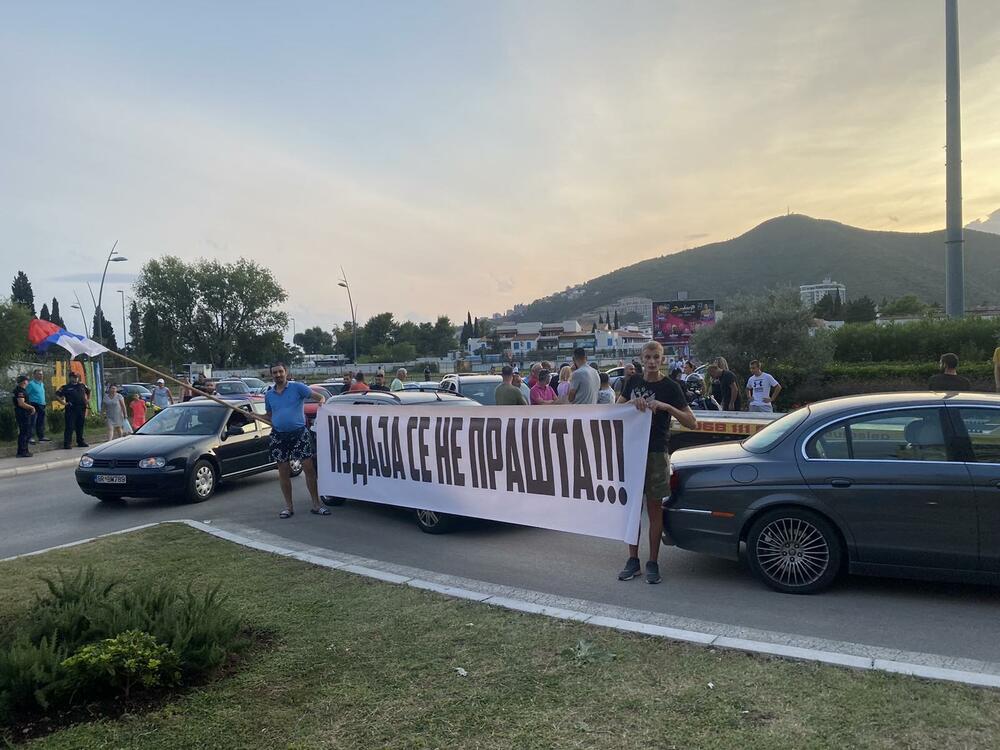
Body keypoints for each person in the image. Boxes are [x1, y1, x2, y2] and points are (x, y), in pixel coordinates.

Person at [618, 341, 697, 584]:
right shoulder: (631, 382)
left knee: (654, 510)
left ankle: (653, 561)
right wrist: (631, 404)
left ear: (662, 359)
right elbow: (612, 410)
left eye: (656, 357)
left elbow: (691, 422)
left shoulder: (671, 387)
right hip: (631, 452)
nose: (652, 361)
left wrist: (666, 407)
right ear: (641, 359)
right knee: (631, 511)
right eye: (647, 357)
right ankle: (633, 561)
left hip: (655, 453)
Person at [265, 362, 329, 519]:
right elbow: (269, 416)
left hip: (299, 433)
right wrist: (253, 416)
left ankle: (316, 504)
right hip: (279, 435)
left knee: (309, 468)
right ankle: (289, 507)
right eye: (275, 372)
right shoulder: (269, 395)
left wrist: (321, 402)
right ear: (271, 375)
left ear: (286, 372)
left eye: (280, 371)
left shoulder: (298, 388)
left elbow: (319, 397)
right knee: (283, 471)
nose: (278, 375)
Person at [56, 372, 90, 449]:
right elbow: (57, 395)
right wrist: (63, 403)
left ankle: (80, 441)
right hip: (71, 409)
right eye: (74, 377)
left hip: (81, 408)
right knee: (70, 426)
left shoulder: (82, 385)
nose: (75, 378)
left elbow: (88, 391)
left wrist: (87, 400)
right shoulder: (66, 387)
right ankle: (67, 443)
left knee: (80, 426)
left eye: (77, 377)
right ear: (70, 377)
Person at [12, 375, 35, 458]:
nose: (27, 382)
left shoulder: (20, 390)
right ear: (23, 381)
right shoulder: (20, 391)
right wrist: (31, 407)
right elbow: (21, 403)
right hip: (22, 414)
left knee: (24, 432)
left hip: (23, 413)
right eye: (26, 380)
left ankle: (23, 451)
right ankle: (23, 451)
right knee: (24, 433)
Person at [26, 369, 49, 444]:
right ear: (34, 375)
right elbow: (26, 394)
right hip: (33, 404)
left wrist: (44, 402)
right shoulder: (31, 384)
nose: (41, 375)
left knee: (41, 421)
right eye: (39, 374)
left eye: (41, 374)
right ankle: (30, 437)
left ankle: (41, 437)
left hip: (41, 404)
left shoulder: (42, 384)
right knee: (32, 421)